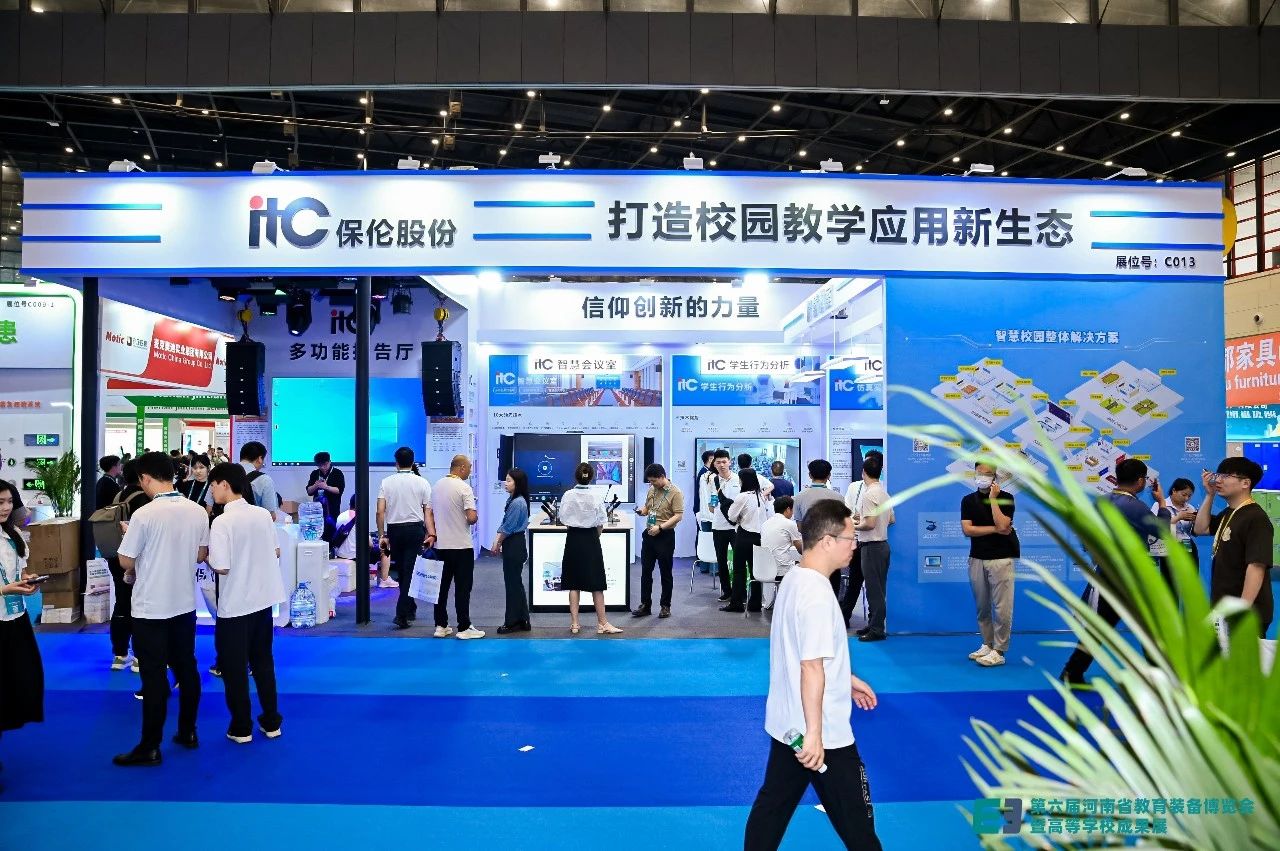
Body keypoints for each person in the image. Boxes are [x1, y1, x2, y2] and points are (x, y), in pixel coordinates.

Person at [744, 498, 881, 851]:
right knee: (858, 824)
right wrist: (815, 735)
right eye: (850, 538)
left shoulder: (795, 578)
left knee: (773, 807)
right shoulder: (818, 595)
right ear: (828, 542)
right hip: (822, 734)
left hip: (788, 724)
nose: (855, 545)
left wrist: (845, 679)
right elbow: (811, 667)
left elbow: (804, 651)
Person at [112, 452, 210, 767]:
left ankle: (150, 746)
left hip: (150, 607)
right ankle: (188, 731)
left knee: (154, 676)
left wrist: (128, 535)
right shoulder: (197, 510)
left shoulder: (144, 515)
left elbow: (125, 561)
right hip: (184, 604)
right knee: (187, 667)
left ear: (145, 478)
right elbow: (201, 555)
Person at [1059, 458, 1170, 684]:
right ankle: (1159, 679)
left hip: (1106, 575)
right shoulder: (1136, 506)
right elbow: (1161, 531)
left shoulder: (1101, 502)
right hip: (1133, 577)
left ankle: (1072, 671)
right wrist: (1162, 504)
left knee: (1098, 628)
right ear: (1140, 481)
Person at [206, 463, 285, 743]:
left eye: (213, 485)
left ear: (225, 484)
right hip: (263, 601)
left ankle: (241, 727)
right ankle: (272, 721)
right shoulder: (262, 514)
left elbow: (222, 566)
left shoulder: (222, 522)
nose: (211, 490)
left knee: (234, 668)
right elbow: (276, 551)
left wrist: (204, 556)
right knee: (263, 662)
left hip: (235, 604)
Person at [1194, 457, 1274, 638]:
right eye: (1219, 475)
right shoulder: (1230, 512)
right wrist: (1209, 495)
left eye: (1226, 476)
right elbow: (1201, 528)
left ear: (1245, 483)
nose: (1218, 480)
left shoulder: (1256, 518)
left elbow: (1256, 566)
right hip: (1224, 608)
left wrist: (1241, 610)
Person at [0, 479, 44, 791]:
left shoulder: (12, 535)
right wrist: (5, 589)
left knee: (14, 687)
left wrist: (28, 580)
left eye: (7, 501)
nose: (4, 508)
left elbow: (18, 572)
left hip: (15, 620)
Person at [960, 463, 1020, 667]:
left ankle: (999, 650)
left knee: (1002, 608)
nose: (983, 477)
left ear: (995, 477)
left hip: (1001, 558)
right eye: (980, 473)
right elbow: (968, 530)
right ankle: (987, 643)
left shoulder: (1006, 498)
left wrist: (994, 500)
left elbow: (1004, 524)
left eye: (988, 474)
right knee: (982, 606)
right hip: (977, 558)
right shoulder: (968, 500)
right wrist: (996, 529)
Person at [558, 462, 623, 636]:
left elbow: (563, 518)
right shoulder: (596, 496)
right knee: (597, 583)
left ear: (576, 476)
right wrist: (594, 536)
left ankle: (574, 624)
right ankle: (602, 623)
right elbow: (601, 521)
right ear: (592, 477)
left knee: (573, 583)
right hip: (591, 540)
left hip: (573, 539)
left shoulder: (568, 495)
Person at [378, 447, 436, 631]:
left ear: (396, 462)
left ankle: (408, 609)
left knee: (403, 571)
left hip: (394, 530)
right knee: (409, 571)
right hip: (414, 530)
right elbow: (428, 513)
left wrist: (382, 535)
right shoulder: (423, 482)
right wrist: (431, 534)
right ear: (412, 462)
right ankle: (403, 613)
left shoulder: (386, 482)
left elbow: (380, 512)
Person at [433, 455, 484, 639]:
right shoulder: (464, 488)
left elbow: (428, 513)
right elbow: (471, 518)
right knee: (462, 588)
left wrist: (432, 534)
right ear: (461, 467)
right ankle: (464, 627)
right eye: (469, 467)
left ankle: (441, 625)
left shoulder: (437, 486)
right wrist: (475, 515)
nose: (470, 470)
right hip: (461, 546)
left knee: (441, 588)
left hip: (441, 546)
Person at [108, 460, 151, 672]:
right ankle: (140, 656)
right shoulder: (144, 499)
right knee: (140, 607)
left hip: (116, 556)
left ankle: (120, 654)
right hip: (136, 560)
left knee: (121, 603)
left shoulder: (119, 496)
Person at [631, 463, 684, 619]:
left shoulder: (675, 492)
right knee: (646, 571)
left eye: (653, 481)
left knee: (665, 572)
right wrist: (642, 511)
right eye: (650, 481)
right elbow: (648, 508)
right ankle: (645, 605)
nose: (651, 483)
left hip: (665, 536)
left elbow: (678, 516)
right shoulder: (652, 489)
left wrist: (660, 527)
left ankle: (665, 606)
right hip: (649, 534)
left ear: (662, 477)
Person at [852, 453, 894, 643]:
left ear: (863, 472)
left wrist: (854, 525)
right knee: (877, 589)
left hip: (871, 546)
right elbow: (891, 519)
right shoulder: (883, 492)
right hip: (882, 545)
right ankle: (873, 624)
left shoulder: (869, 494)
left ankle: (876, 629)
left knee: (873, 590)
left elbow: (869, 524)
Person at [792, 459, 845, 597]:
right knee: (832, 587)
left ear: (810, 475)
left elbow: (800, 527)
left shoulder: (799, 497)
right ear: (829, 476)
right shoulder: (838, 498)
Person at [494, 468, 532, 634]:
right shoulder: (515, 500)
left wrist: (497, 542)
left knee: (512, 585)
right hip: (514, 544)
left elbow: (508, 527)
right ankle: (523, 619)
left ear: (518, 483)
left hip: (514, 545)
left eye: (509, 480)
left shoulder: (517, 503)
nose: (506, 483)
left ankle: (512, 622)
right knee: (515, 583)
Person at [728, 469, 770, 613]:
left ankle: (737, 603)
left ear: (743, 480)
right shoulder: (761, 495)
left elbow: (731, 516)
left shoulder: (742, 496)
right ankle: (755, 604)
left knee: (739, 570)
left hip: (744, 536)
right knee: (755, 572)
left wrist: (739, 518)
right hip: (759, 538)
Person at [707, 450, 742, 603]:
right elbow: (711, 505)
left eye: (724, 462)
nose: (721, 465)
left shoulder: (738, 479)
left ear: (730, 462)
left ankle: (739, 592)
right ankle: (727, 591)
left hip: (736, 526)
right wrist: (712, 505)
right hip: (718, 526)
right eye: (718, 462)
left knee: (739, 561)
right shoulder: (712, 480)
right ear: (714, 464)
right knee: (721, 561)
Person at [1152, 477, 1199, 588]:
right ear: (1174, 490)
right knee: (1169, 583)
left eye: (1189, 496)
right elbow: (1155, 527)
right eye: (1184, 494)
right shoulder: (1159, 505)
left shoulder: (1190, 508)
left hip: (1187, 545)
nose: (1186, 498)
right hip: (1167, 546)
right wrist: (1178, 517)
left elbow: (1193, 532)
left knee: (1191, 582)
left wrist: (1196, 521)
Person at [760, 496, 802, 578]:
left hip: (765, 570)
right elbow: (801, 550)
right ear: (788, 509)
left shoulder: (765, 524)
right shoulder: (789, 524)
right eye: (792, 510)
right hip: (783, 571)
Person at [239, 441, 280, 515]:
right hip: (252, 521)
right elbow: (271, 515)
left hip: (224, 521)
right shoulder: (264, 480)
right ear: (260, 459)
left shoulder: (224, 474)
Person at [306, 451, 346, 522]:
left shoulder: (337, 473)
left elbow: (339, 490)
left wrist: (326, 487)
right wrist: (316, 485)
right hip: (317, 511)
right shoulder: (315, 473)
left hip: (332, 510)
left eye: (325, 464)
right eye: (319, 465)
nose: (322, 467)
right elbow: (309, 491)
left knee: (332, 528)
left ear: (329, 462)